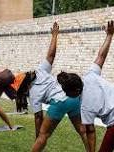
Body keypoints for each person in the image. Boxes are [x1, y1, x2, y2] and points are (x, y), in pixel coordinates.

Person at [58, 21, 114, 152]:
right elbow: (101, 56)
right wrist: (109, 35)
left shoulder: (85, 106)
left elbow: (90, 131)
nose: (67, 96)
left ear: (76, 91)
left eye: (67, 93)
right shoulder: (90, 75)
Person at [29, 22, 89, 152]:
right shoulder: (40, 71)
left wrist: (38, 137)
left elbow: (38, 117)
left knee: (43, 136)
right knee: (82, 131)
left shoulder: (33, 94)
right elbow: (51, 55)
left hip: (59, 102)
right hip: (73, 98)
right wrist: (55, 35)